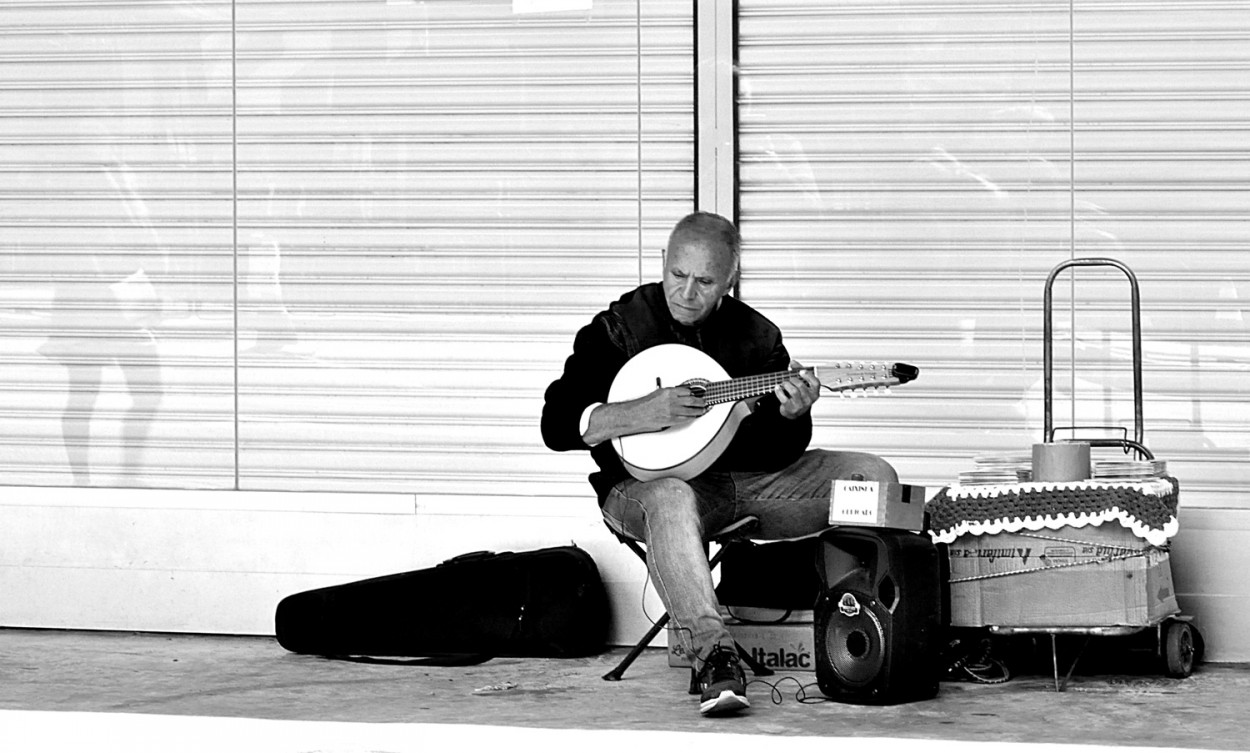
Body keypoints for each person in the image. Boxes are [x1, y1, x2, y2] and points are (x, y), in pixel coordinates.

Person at [540, 211, 898, 716]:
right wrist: (639, 413)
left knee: (873, 477)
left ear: (730, 281)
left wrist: (794, 415)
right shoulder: (617, 329)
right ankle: (714, 658)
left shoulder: (756, 338)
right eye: (677, 275)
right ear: (663, 262)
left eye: (705, 281)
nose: (687, 292)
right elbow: (555, 425)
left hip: (737, 487)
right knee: (671, 495)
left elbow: (777, 452)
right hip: (641, 492)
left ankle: (872, 638)